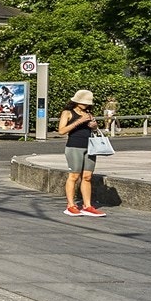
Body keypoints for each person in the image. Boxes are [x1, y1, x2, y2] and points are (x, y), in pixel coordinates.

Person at [58, 89, 105, 217]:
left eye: (87, 103)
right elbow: (61, 131)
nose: (86, 105)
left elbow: (94, 130)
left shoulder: (89, 113)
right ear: (76, 101)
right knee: (74, 176)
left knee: (87, 176)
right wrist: (79, 121)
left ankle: (87, 205)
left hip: (90, 146)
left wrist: (94, 126)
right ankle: (71, 205)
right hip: (74, 146)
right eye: (83, 102)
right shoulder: (67, 113)